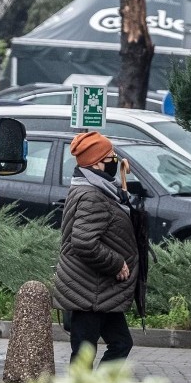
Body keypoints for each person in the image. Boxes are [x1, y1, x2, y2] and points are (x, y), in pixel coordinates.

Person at [52, 131, 138, 367]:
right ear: (96, 163)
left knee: (120, 343)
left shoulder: (96, 188)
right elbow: (83, 242)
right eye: (111, 156)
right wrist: (117, 263)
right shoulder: (91, 195)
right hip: (89, 290)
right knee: (85, 353)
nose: (115, 161)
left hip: (98, 290)